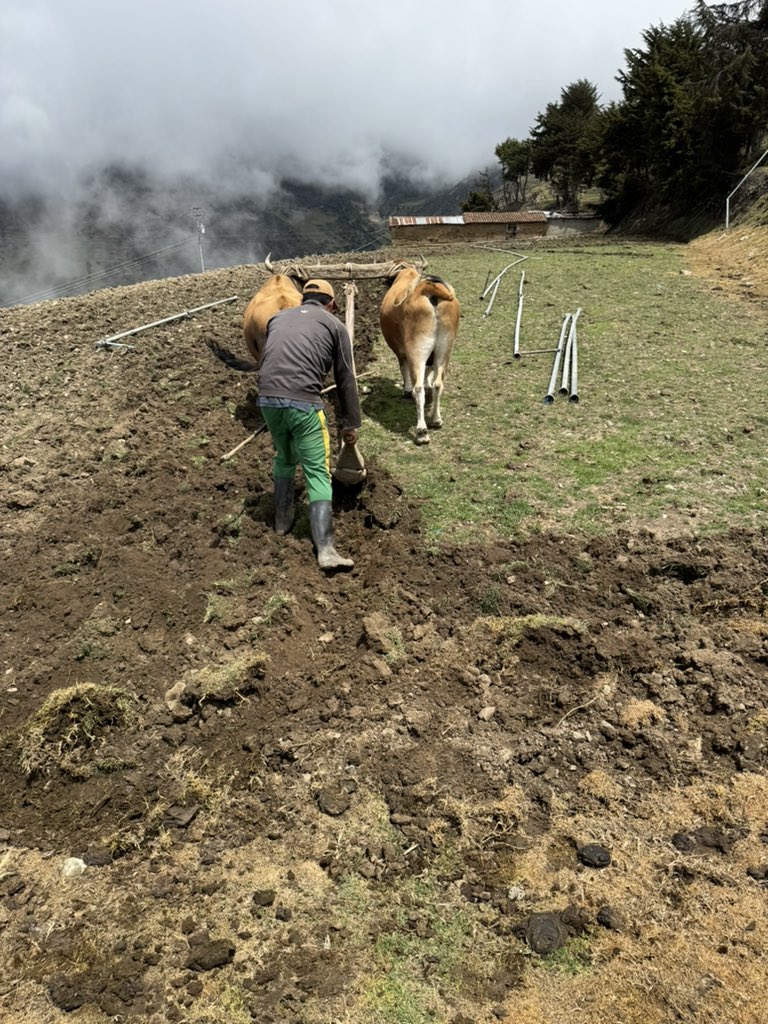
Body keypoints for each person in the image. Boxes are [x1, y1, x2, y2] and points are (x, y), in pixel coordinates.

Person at [256, 279, 361, 570]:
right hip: (303, 401)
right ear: (330, 304)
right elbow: (345, 379)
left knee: (285, 456)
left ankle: (282, 522)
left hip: (266, 400)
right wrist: (350, 424)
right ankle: (326, 550)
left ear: (303, 300)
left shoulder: (277, 318)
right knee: (317, 470)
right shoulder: (334, 325)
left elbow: (271, 359)